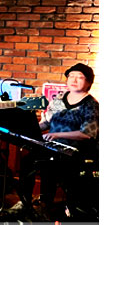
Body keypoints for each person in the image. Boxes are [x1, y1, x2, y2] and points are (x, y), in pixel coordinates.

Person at [14, 63, 99, 221]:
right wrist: (29, 129)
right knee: (27, 161)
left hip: (74, 152)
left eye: (80, 77)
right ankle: (24, 202)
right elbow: (46, 122)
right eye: (71, 76)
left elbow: (88, 134)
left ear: (88, 82)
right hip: (52, 146)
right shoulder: (59, 98)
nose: (74, 80)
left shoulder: (91, 105)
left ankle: (45, 205)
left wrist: (57, 134)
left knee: (49, 166)